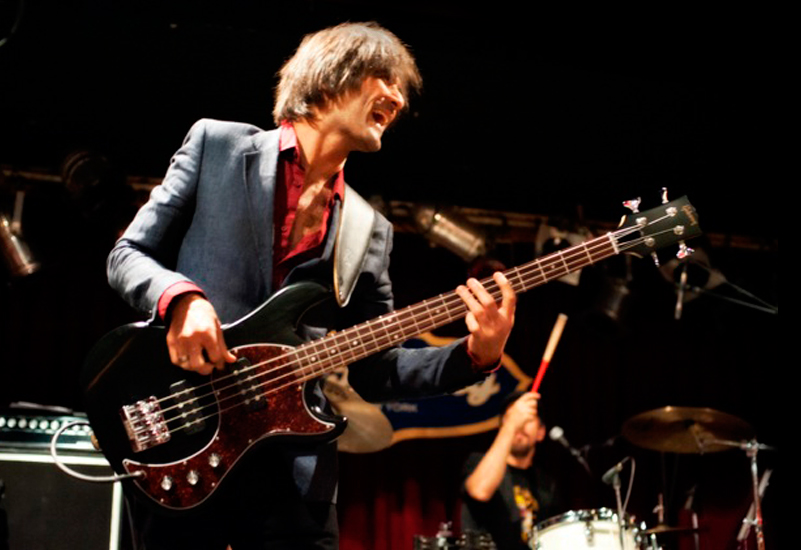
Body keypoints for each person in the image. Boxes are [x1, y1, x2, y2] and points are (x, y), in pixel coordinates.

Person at [106, 22, 516, 549]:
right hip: (183, 437)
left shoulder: (369, 231)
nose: (397, 99)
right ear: (327, 80)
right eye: (383, 79)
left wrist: (476, 354)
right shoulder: (217, 146)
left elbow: (378, 369)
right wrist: (181, 299)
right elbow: (127, 255)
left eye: (401, 90)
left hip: (294, 474)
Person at [461, 391, 560, 550]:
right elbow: (480, 491)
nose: (519, 425)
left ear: (541, 432)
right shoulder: (478, 462)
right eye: (513, 418)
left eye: (527, 419)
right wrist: (511, 424)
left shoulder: (546, 484)